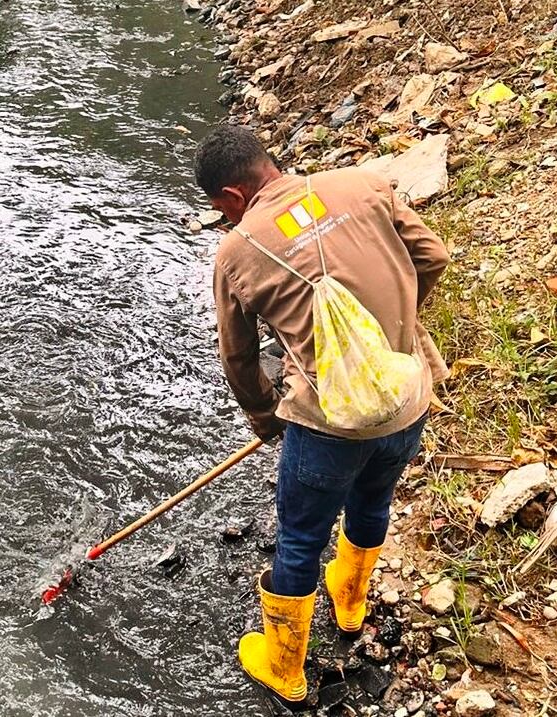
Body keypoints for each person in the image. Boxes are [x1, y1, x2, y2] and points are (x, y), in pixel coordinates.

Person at [193, 124, 450, 706]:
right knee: (374, 501)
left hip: (326, 427)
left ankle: (285, 666)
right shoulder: (364, 184)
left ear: (233, 198)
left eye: (221, 211)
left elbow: (236, 356)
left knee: (301, 537)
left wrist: (266, 417)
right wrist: (393, 333)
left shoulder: (237, 252)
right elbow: (432, 255)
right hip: (407, 404)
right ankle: (351, 601)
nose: (227, 221)